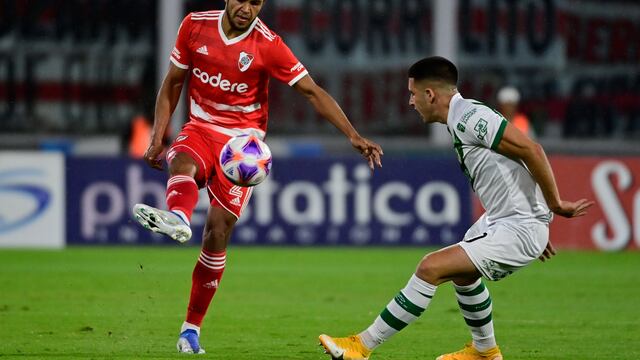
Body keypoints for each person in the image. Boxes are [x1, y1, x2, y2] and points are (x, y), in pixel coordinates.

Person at [132, 0, 383, 354]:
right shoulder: (194, 26)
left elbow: (311, 91)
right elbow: (173, 82)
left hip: (243, 147)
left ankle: (190, 330)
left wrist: (352, 135)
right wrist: (159, 135)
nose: (247, 8)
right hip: (201, 127)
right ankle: (178, 217)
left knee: (217, 232)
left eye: (256, 1)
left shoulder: (269, 45)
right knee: (183, 161)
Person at [319, 57, 593, 360]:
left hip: (518, 225)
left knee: (430, 267)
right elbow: (517, 164)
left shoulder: (470, 117)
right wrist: (537, 216)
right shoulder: (461, 118)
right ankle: (484, 350)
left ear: (430, 95)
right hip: (508, 221)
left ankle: (361, 346)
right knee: (463, 275)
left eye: (412, 94)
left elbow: (532, 150)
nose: (410, 102)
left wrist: (550, 208)